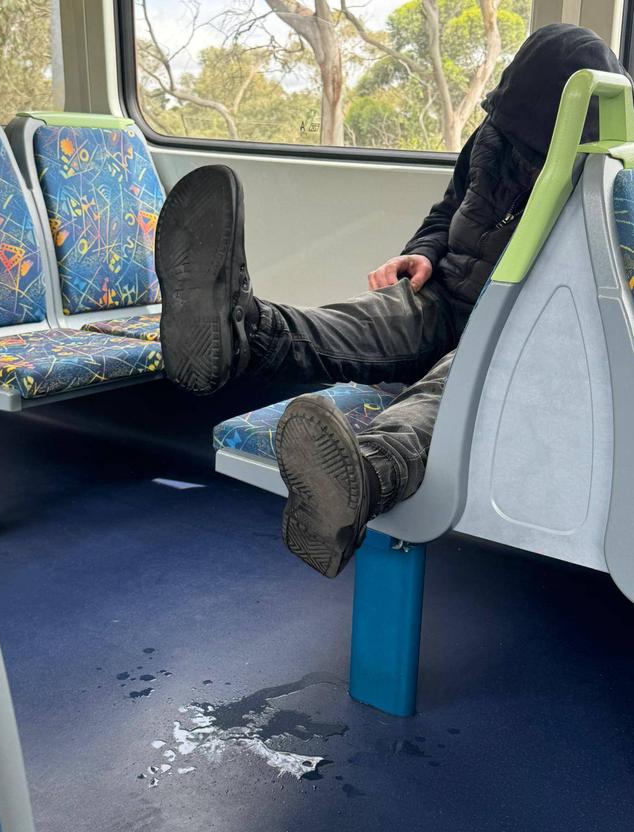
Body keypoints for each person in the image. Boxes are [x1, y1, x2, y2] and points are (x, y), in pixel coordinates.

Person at [154, 24, 629, 578]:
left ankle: (366, 474)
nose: (519, 150)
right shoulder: (492, 137)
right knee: (374, 317)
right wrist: (422, 253)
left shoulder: (607, 182)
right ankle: (244, 332)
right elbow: (448, 210)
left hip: (523, 335)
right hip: (448, 294)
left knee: (469, 376)